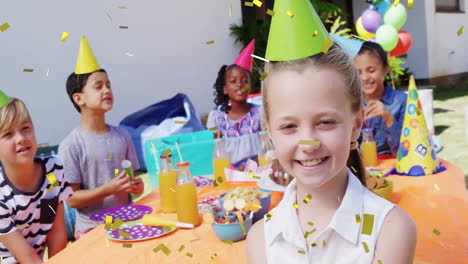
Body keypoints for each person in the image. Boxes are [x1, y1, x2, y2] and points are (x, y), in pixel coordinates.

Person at [246, 1, 416, 263]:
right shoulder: (261, 238)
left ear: (356, 125)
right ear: (270, 131)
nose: (308, 142)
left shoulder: (390, 230)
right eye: (289, 126)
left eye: (325, 122)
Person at [59, 36, 143, 239]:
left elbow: (134, 183)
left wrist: (136, 186)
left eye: (109, 85)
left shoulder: (123, 136)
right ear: (79, 98)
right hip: (92, 232)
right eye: (98, 86)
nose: (107, 90)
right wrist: (108, 189)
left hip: (128, 222)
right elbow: (71, 200)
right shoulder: (71, 145)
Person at [0, 92, 73, 263]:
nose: (20, 139)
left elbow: (57, 232)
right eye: (8, 134)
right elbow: (27, 257)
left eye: (25, 129)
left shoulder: (53, 171)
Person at [206, 41, 264, 168]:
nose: (239, 85)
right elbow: (215, 150)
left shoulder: (260, 114)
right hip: (230, 175)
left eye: (245, 81)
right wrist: (233, 170)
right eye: (233, 81)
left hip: (258, 172)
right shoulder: (216, 118)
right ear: (225, 89)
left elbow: (267, 146)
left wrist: (251, 165)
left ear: (250, 87)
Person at [354, 41, 407, 158]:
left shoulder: (402, 101)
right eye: (358, 72)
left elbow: (406, 150)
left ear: (385, 69)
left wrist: (389, 119)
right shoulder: (351, 105)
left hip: (395, 167)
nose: (365, 78)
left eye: (371, 70)